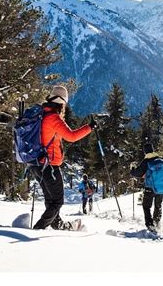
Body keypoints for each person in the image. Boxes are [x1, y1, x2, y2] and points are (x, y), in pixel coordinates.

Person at [32, 85, 97, 230]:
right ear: (62, 102)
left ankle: (59, 225)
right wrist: (90, 127)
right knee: (57, 202)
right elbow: (71, 136)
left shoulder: (42, 114)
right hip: (49, 166)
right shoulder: (53, 118)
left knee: (51, 201)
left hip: (36, 164)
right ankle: (38, 229)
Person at [130, 143, 163, 232]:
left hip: (149, 188)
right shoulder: (162, 159)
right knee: (158, 205)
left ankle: (150, 225)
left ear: (145, 152)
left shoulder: (146, 161)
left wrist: (132, 170)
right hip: (161, 187)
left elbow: (137, 173)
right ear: (153, 150)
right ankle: (157, 223)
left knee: (146, 206)